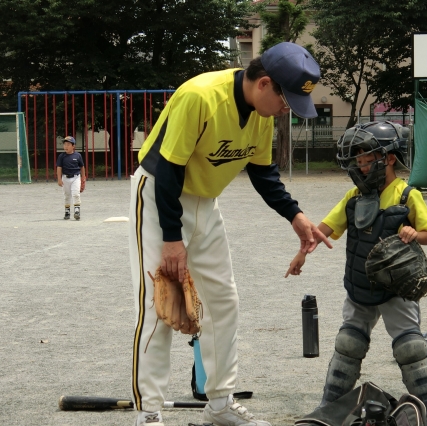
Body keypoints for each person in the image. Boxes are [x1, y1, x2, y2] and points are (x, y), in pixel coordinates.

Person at [128, 42, 332, 426]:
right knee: (159, 305)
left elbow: (263, 173)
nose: (287, 108)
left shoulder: (261, 112)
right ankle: (149, 414)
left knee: (223, 300)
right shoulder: (200, 96)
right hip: (159, 196)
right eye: (285, 99)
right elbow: (169, 171)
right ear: (264, 84)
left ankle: (219, 404)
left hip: (206, 201)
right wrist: (172, 240)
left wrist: (295, 215)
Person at [286, 121, 427, 426]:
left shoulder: (406, 195)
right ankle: (329, 408)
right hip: (359, 286)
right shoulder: (353, 198)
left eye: (367, 158)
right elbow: (322, 231)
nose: (360, 166)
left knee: (411, 348)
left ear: (388, 158)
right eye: (357, 160)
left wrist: (415, 233)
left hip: (395, 288)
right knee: (348, 344)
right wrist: (301, 255)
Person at [56, 136, 85, 220]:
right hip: (65, 177)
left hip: (76, 177)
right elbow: (59, 167)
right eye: (64, 144)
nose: (66, 146)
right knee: (67, 195)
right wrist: (59, 179)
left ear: (73, 146)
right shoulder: (61, 156)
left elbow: (82, 166)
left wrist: (83, 177)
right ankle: (67, 212)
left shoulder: (78, 155)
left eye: (68, 144)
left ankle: (77, 211)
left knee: (76, 194)